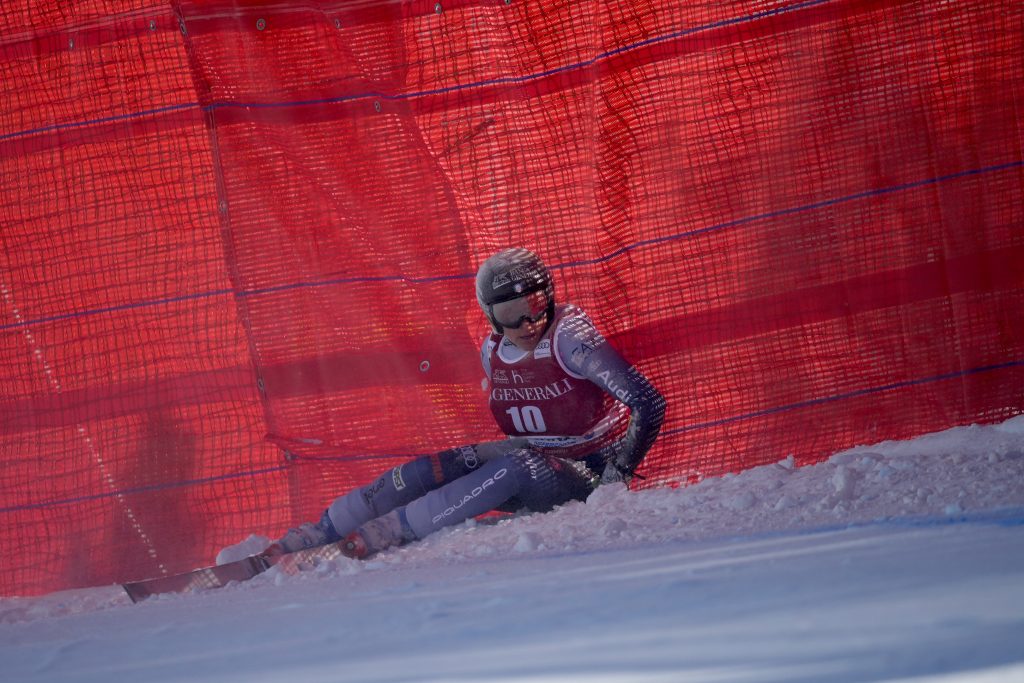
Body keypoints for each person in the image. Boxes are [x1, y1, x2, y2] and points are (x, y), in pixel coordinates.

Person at [266, 247, 666, 559]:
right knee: (452, 461)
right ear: (491, 316)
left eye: (537, 304)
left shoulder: (568, 335)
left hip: (583, 474)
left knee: (516, 462)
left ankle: (389, 530)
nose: (529, 324)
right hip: (539, 461)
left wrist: (616, 476)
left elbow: (648, 400)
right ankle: (321, 530)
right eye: (512, 314)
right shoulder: (491, 350)